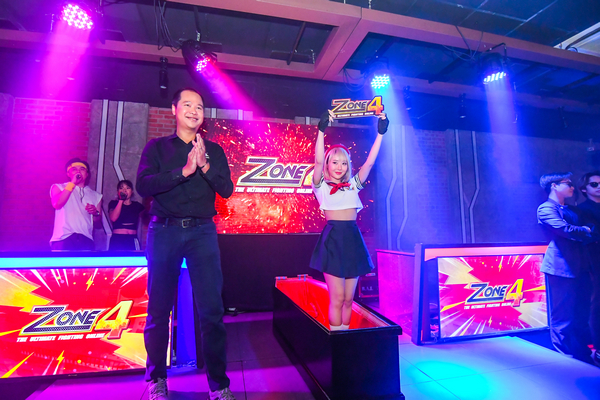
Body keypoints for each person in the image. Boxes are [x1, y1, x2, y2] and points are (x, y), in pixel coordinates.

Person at [137, 88, 235, 400]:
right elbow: (143, 185)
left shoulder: (214, 150)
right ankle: (156, 379)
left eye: (200, 107)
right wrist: (183, 172)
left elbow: (227, 189)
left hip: (202, 233)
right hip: (164, 231)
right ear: (174, 110)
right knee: (158, 309)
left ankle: (219, 385)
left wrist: (204, 166)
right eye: (188, 105)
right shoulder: (157, 147)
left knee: (212, 311)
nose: (194, 111)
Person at [310, 110, 389, 331]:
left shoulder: (353, 184)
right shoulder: (321, 186)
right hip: (333, 240)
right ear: (328, 164)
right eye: (334, 162)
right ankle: (337, 342)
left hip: (352, 239)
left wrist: (381, 134)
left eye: (344, 163)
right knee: (336, 298)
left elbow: (369, 164)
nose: (339, 167)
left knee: (348, 299)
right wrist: (321, 131)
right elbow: (317, 162)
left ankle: (346, 337)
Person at [537, 172, 594, 364]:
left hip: (582, 266)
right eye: (567, 183)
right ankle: (564, 356)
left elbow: (590, 228)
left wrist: (585, 230)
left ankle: (582, 354)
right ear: (553, 185)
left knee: (582, 312)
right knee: (563, 315)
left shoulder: (571, 209)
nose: (572, 187)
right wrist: (584, 230)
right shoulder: (546, 208)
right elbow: (565, 230)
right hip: (561, 267)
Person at [50, 158, 102, 250]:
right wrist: (73, 183)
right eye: (74, 169)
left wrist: (95, 212)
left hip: (86, 239)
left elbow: (97, 220)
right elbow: (57, 204)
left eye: (82, 169)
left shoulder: (96, 195)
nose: (78, 171)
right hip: (63, 238)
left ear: (87, 174)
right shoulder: (59, 187)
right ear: (68, 173)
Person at [577, 171, 600, 367]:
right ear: (584, 189)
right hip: (595, 261)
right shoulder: (582, 210)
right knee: (597, 305)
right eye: (594, 184)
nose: (599, 187)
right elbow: (588, 237)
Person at [108, 180, 145, 250]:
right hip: (117, 239)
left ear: (132, 191)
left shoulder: (137, 205)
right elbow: (113, 218)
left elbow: (148, 216)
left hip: (132, 239)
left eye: (127, 188)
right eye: (121, 188)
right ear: (118, 191)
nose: (124, 190)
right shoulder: (113, 203)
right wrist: (121, 200)